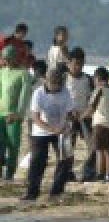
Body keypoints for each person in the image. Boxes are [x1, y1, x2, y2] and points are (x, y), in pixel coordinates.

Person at [22, 68, 76, 201]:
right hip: (40, 132)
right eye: (53, 84)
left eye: (58, 84)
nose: (56, 87)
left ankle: (56, 192)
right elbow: (35, 117)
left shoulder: (65, 91)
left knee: (66, 160)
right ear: (47, 81)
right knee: (38, 161)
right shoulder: (38, 93)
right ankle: (32, 192)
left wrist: (71, 118)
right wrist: (52, 129)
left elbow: (70, 112)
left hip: (61, 131)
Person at [86, 67, 109, 182]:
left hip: (99, 123)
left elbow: (91, 107)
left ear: (97, 79)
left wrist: (82, 116)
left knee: (99, 150)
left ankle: (100, 174)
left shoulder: (99, 90)